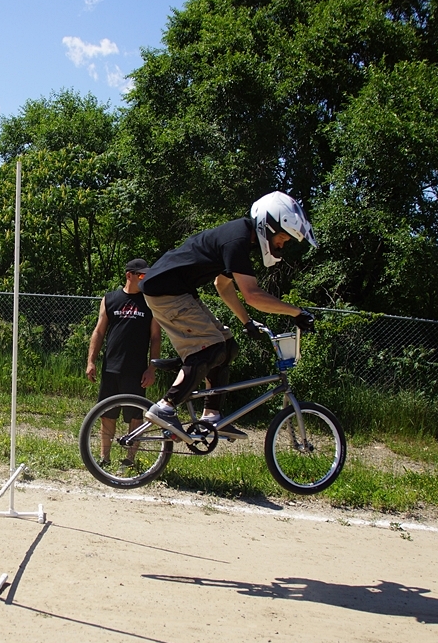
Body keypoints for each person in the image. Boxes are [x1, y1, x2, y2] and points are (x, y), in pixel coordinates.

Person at [139, 191, 318, 443]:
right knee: (210, 347)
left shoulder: (242, 240)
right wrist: (296, 312)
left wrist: (246, 322)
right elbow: (252, 294)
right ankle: (165, 407)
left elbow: (222, 285)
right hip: (165, 291)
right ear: (268, 226)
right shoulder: (236, 240)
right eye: (283, 238)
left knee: (227, 345)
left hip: (179, 291)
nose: (282, 245)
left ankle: (212, 416)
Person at [86, 259, 162, 466]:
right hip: (111, 367)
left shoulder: (150, 301)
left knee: (135, 416)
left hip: (136, 371)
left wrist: (152, 368)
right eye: (141, 275)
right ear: (129, 275)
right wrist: (91, 361)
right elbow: (99, 331)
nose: (145, 278)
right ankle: (104, 458)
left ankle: (129, 460)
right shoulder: (110, 299)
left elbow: (156, 337)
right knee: (107, 414)